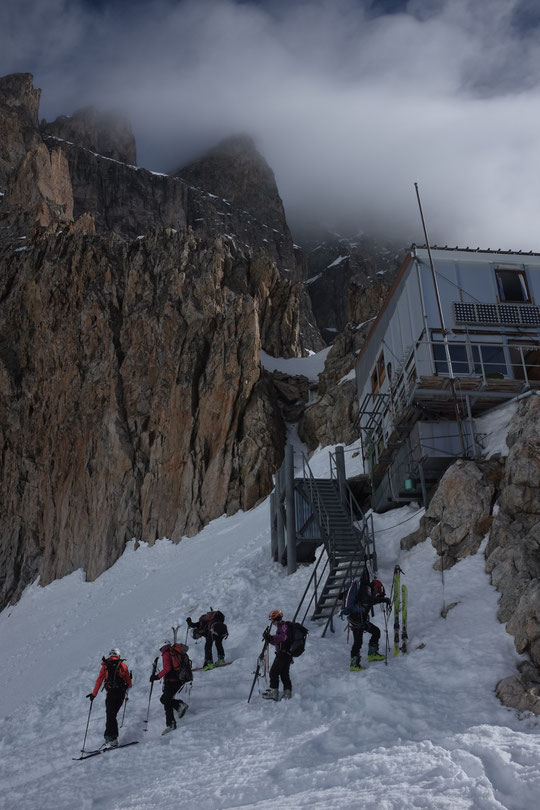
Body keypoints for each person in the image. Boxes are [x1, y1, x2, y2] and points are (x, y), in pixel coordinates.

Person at [86, 648, 132, 747]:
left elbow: (99, 680)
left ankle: (110, 738)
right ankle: (112, 738)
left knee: (110, 714)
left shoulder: (105, 666)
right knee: (112, 715)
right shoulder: (123, 665)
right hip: (120, 694)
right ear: (118, 655)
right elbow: (129, 684)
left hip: (111, 693)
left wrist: (94, 694)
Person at [346, 574, 391, 671]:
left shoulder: (366, 590)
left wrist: (383, 599)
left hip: (360, 620)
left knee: (376, 631)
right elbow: (370, 601)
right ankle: (354, 664)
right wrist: (382, 599)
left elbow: (371, 600)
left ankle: (372, 654)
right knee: (358, 642)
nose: (376, 593)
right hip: (357, 620)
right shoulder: (366, 590)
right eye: (377, 590)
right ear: (375, 587)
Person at [150, 640, 189, 735]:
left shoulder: (167, 653)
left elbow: (167, 668)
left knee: (166, 702)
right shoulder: (175, 651)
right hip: (179, 679)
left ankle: (171, 724)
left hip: (172, 681)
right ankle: (179, 705)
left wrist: (156, 677)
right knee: (164, 699)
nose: (161, 651)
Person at [261, 609, 292, 701]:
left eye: (272, 621)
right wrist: (270, 639)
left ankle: (274, 692)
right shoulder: (282, 627)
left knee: (273, 672)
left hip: (283, 654)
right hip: (287, 654)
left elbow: (284, 638)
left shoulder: (283, 626)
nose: (272, 623)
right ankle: (287, 693)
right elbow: (279, 642)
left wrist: (271, 637)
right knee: (284, 674)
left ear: (276, 620)